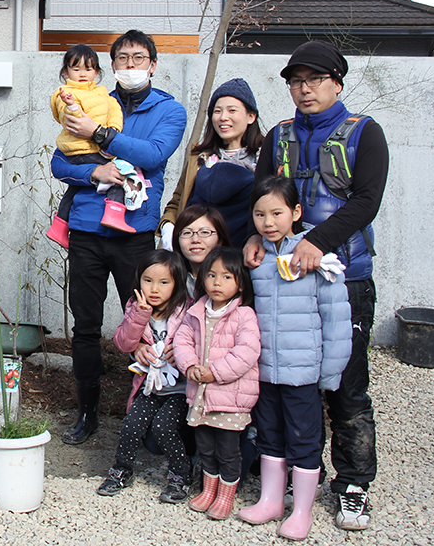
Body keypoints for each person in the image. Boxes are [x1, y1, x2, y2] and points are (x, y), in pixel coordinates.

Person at [244, 40, 387, 531]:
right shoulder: (279, 135)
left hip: (342, 275)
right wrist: (251, 240)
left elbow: (366, 199)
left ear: (336, 83)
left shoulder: (363, 133)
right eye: (295, 82)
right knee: (281, 378)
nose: (303, 89)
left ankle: (352, 483)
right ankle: (288, 475)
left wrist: (317, 241)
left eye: (314, 80)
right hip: (282, 279)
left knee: (346, 381)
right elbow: (259, 195)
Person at [51, 29, 187, 445]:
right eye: (122, 59)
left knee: (147, 319)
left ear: (152, 64)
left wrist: (100, 134)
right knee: (86, 325)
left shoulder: (169, 110)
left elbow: (152, 155)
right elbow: (60, 161)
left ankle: (149, 410)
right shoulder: (91, 98)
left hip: (135, 231)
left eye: (138, 58)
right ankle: (87, 412)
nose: (130, 65)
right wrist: (94, 171)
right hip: (88, 229)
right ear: (112, 65)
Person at [239, 176, 351, 540]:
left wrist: (330, 373)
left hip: (303, 373)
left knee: (304, 439)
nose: (268, 222)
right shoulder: (255, 260)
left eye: (276, 213)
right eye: (259, 214)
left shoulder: (316, 258)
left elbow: (337, 320)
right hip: (266, 370)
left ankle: (302, 510)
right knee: (269, 435)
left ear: (296, 213)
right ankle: (271, 500)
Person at [97, 249, 191, 502]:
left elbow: (199, 343)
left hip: (180, 392)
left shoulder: (187, 311)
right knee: (131, 424)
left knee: (163, 427)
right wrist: (139, 317)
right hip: (148, 388)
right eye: (148, 281)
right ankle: (121, 470)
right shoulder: (135, 307)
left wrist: (181, 351)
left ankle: (180, 474)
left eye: (164, 282)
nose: (154, 289)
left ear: (177, 283)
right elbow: (123, 342)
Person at [173, 248, 260, 520]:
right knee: (206, 446)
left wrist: (215, 373)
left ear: (240, 283)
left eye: (226, 277)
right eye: (211, 275)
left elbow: (246, 353)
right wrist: (189, 366)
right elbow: (182, 341)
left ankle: (225, 495)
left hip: (230, 399)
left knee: (228, 450)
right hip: (200, 396)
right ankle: (208, 490)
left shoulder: (244, 315)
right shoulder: (196, 311)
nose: (217, 283)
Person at [47, 44, 140, 245]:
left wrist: (112, 129)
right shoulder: (64, 93)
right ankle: (114, 213)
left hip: (95, 147)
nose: (82, 74)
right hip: (80, 148)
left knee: (74, 188)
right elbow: (70, 119)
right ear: (66, 72)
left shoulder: (103, 93)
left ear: (96, 72)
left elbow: (114, 109)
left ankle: (59, 227)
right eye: (76, 68)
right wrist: (71, 104)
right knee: (118, 173)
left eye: (88, 69)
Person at [160, 78, 263, 248]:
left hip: (242, 252)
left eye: (232, 110)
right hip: (196, 251)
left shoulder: (263, 157)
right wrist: (168, 226)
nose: (223, 118)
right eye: (217, 111)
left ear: (251, 116)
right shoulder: (200, 157)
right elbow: (178, 200)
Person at [172, 204, 232, 297]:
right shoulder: (170, 279)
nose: (195, 239)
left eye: (205, 232)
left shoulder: (234, 278)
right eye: (187, 233)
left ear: (220, 240)